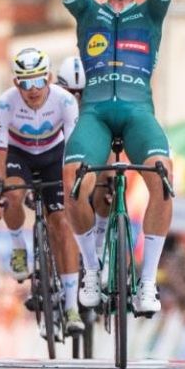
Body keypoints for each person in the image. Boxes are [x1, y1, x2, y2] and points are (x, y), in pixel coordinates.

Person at [55, 0, 176, 314]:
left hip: (138, 113)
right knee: (73, 180)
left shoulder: (151, 14)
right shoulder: (89, 12)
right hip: (96, 115)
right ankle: (92, 268)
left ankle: (147, 283)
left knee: (163, 177)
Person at [0, 47, 84, 333]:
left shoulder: (65, 101)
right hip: (19, 156)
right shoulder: (3, 105)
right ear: (16, 83)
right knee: (12, 195)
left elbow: (74, 150)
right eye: (26, 83)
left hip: (56, 156)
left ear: (49, 78)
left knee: (62, 224)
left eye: (39, 80)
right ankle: (19, 247)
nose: (33, 89)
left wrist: (74, 188)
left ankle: (71, 307)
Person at [56, 55, 112, 256]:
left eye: (83, 93)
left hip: (92, 167)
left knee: (107, 183)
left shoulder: (101, 109)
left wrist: (110, 179)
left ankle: (100, 241)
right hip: (61, 168)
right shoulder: (53, 108)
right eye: (71, 93)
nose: (77, 99)